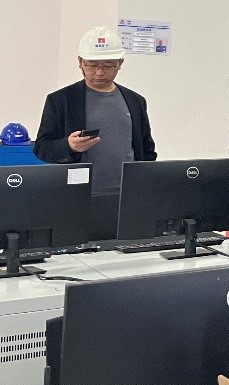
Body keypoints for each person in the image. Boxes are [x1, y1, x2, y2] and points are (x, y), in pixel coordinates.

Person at [34, 26, 157, 240]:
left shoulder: (135, 101)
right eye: (91, 65)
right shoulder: (61, 100)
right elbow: (42, 148)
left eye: (108, 66)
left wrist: (141, 188)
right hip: (78, 199)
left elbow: (147, 151)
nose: (99, 73)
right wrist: (68, 146)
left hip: (126, 200)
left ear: (120, 63)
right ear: (80, 62)